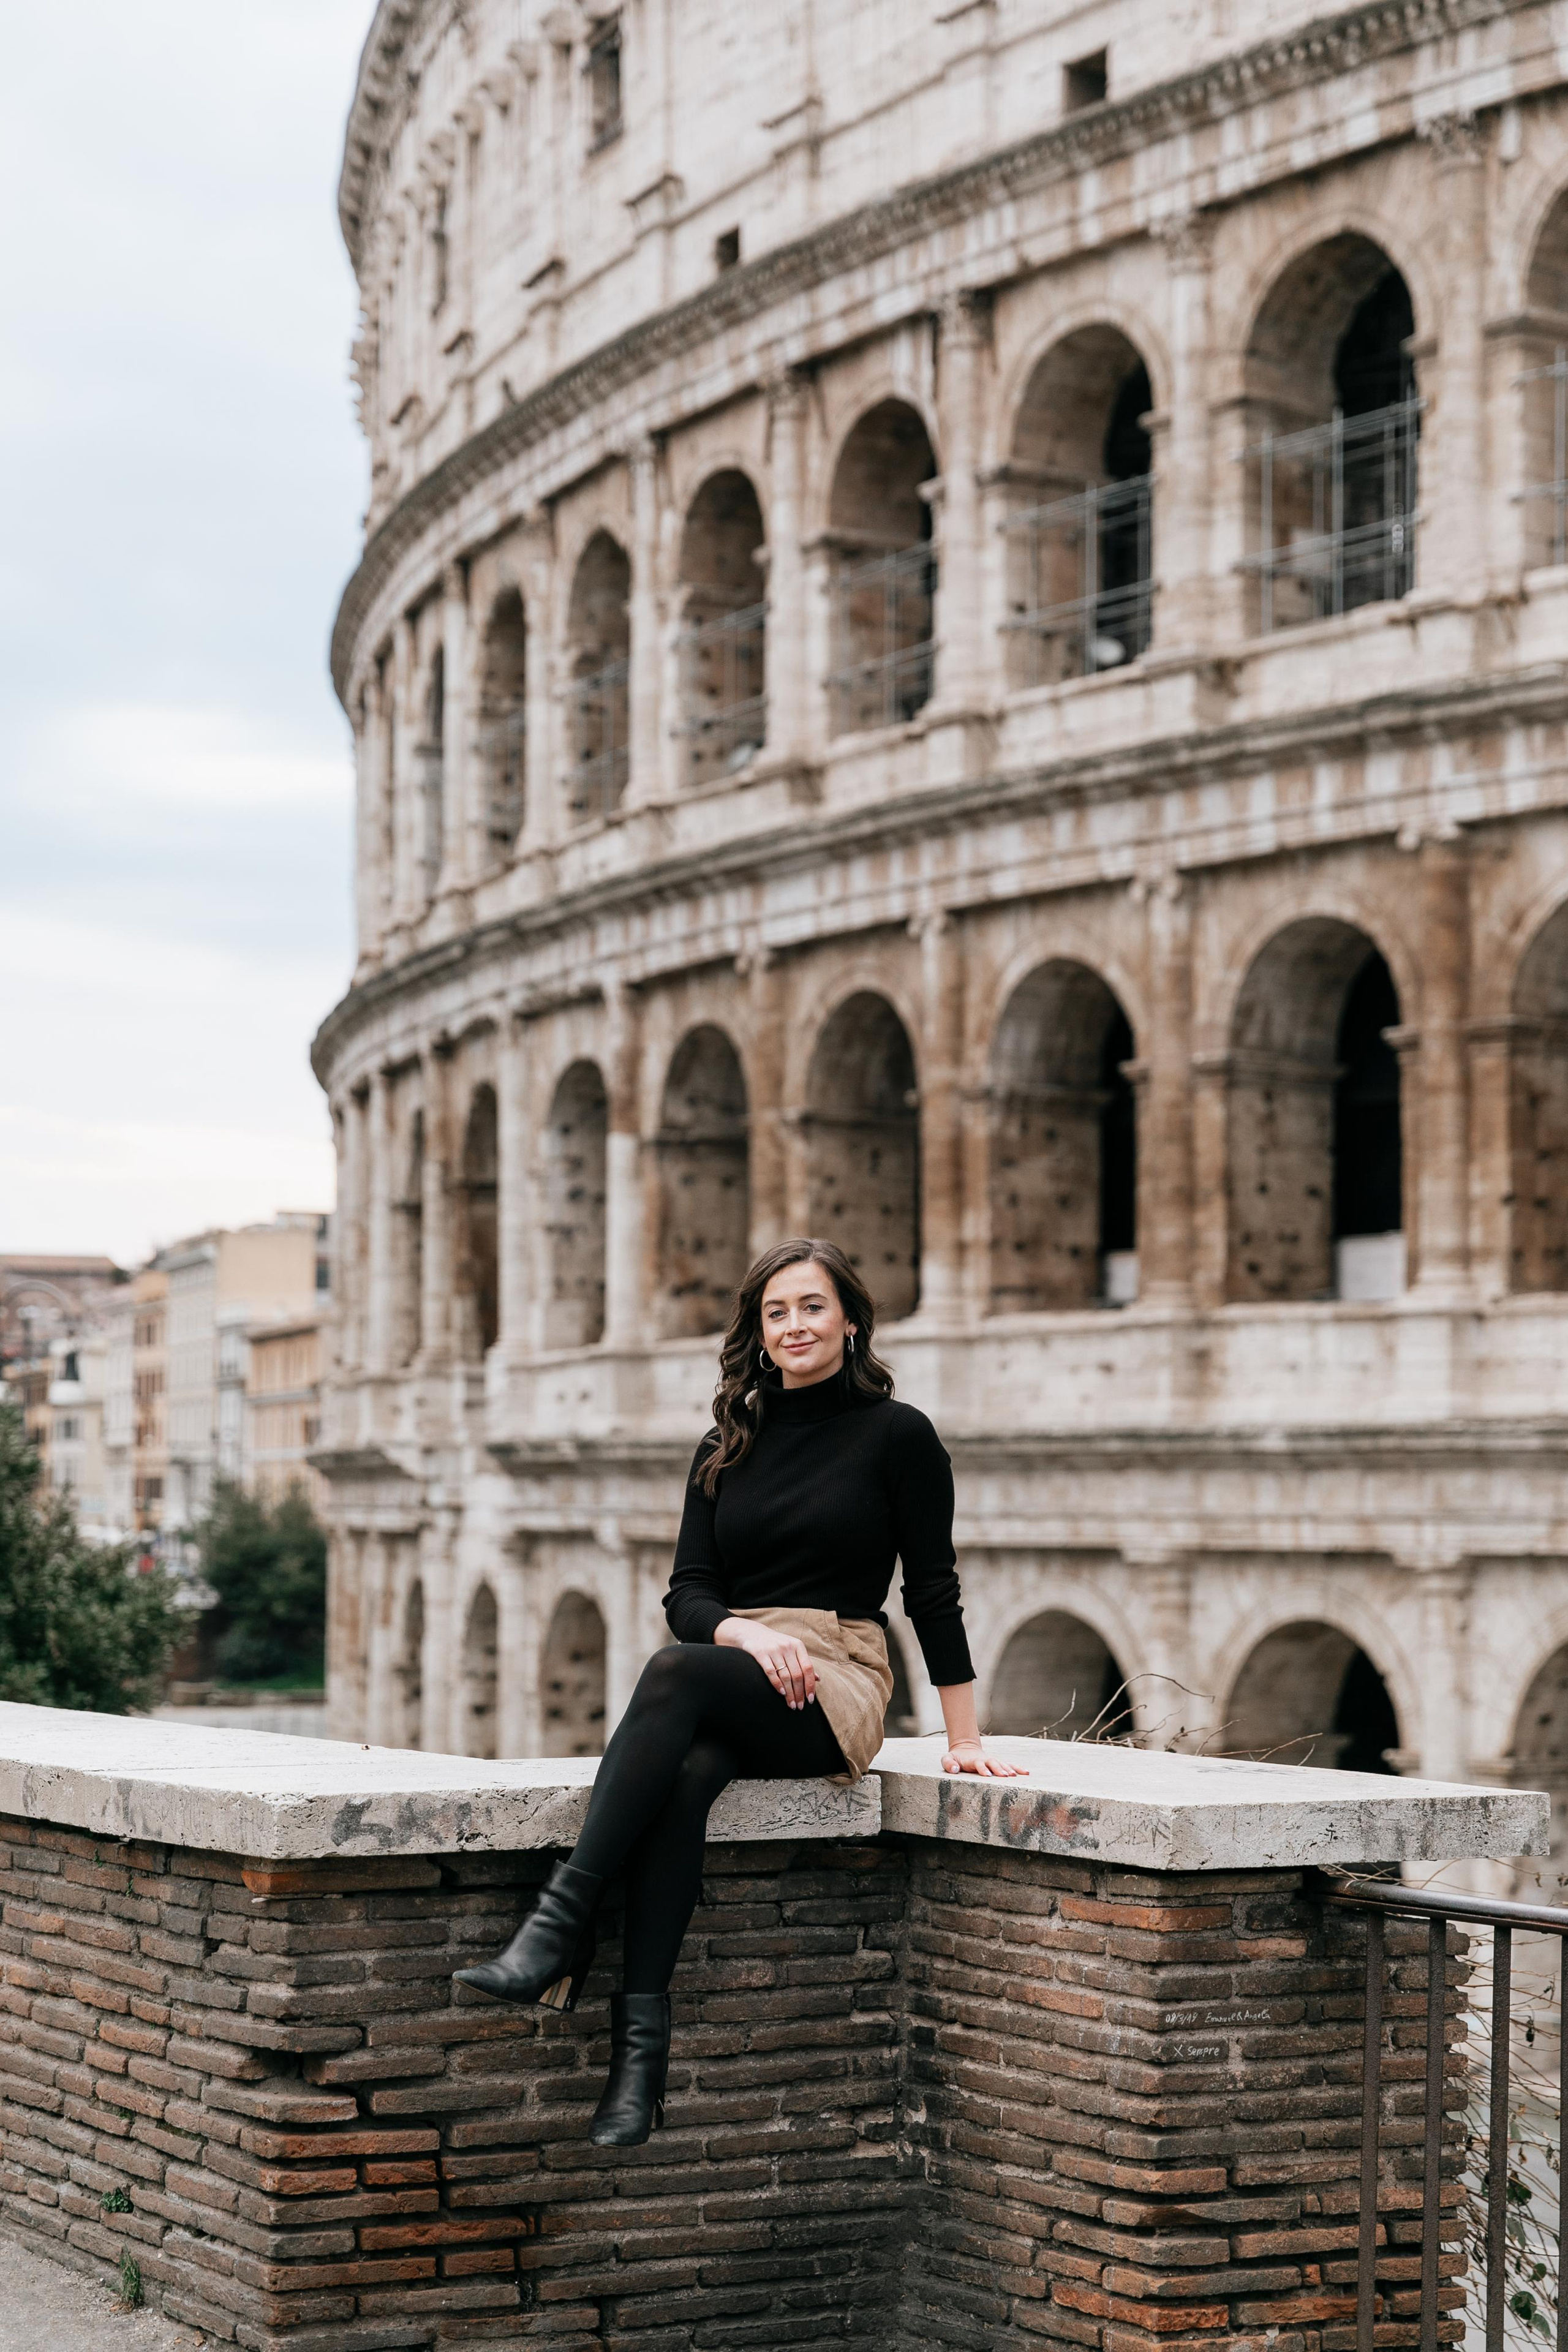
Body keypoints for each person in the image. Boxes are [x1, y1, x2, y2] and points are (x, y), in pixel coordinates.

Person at [454, 1235, 1025, 2145]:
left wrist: (963, 1734)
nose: (794, 1325)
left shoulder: (899, 1434)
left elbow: (932, 1590)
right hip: (742, 1666)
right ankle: (637, 2067)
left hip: (835, 1673)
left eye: (811, 1306)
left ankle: (561, 1926)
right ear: (759, 1335)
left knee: (673, 1676)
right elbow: (689, 1594)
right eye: (776, 1312)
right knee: (683, 1779)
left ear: (849, 1320)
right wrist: (745, 1632)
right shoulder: (727, 1443)